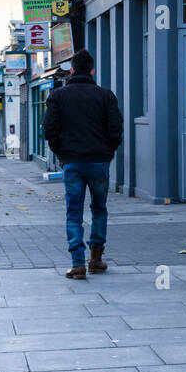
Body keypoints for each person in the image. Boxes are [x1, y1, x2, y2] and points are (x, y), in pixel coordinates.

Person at [43, 48, 123, 279]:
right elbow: (116, 128)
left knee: (73, 212)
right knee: (99, 208)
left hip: (73, 162)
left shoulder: (58, 96)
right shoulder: (106, 96)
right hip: (99, 161)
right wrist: (108, 151)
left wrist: (61, 152)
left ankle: (77, 264)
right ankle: (96, 259)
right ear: (92, 70)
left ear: (71, 70)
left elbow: (49, 128)